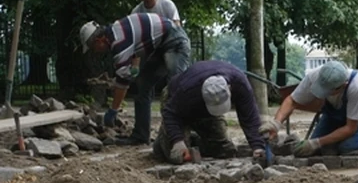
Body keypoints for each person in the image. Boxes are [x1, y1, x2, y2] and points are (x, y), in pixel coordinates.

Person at [80, 14, 191, 145]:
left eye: (93, 48)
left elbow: (122, 83)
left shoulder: (118, 41)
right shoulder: (115, 32)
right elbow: (137, 46)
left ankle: (181, 137)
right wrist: (134, 67)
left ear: (99, 40)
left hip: (174, 40)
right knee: (142, 86)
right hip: (161, 44)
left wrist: (113, 110)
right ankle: (141, 136)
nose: (95, 51)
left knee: (176, 88)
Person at [261, 60, 358, 157]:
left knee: (348, 148)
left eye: (328, 91)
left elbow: (350, 128)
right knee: (318, 150)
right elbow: (292, 100)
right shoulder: (316, 75)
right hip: (335, 113)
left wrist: (316, 142)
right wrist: (276, 123)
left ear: (342, 86)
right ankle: (337, 139)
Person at [153, 61, 265, 164]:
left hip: (204, 109)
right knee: (177, 157)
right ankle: (163, 142)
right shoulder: (186, 91)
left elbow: (250, 117)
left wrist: (258, 146)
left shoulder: (240, 84)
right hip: (174, 102)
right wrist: (177, 141)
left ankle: (192, 140)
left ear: (229, 89)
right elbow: (170, 113)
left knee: (225, 150)